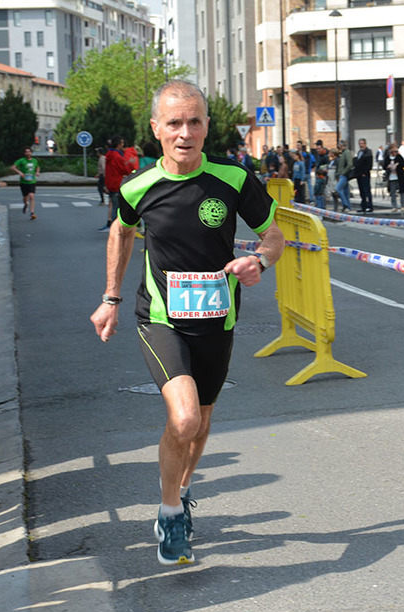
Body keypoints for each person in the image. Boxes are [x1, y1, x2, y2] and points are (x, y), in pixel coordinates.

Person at [89, 80, 284, 566]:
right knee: (185, 417)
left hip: (217, 318)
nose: (185, 132)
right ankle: (170, 511)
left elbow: (274, 235)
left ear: (206, 126)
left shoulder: (233, 179)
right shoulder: (137, 186)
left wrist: (260, 260)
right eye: (174, 123)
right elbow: (121, 232)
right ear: (156, 128)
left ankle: (183, 486)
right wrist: (111, 297)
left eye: (194, 122)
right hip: (161, 318)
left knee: (202, 421)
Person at [103, 136, 133, 231]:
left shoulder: (109, 155)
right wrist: (130, 163)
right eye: (122, 143)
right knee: (117, 208)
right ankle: (115, 229)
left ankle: (114, 227)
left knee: (114, 206)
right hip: (117, 184)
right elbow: (125, 170)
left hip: (111, 184)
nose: (123, 145)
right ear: (118, 144)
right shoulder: (117, 156)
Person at [12, 146, 40, 220]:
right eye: (26, 152)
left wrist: (37, 172)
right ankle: (25, 204)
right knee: (25, 198)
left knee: (31, 196)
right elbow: (13, 167)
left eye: (29, 152)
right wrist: (20, 172)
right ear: (24, 153)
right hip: (24, 182)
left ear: (31, 153)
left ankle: (32, 213)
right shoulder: (21, 160)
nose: (28, 153)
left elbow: (37, 167)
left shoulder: (34, 160)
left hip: (32, 181)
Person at [382, 144, 404, 211]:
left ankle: (402, 205)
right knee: (392, 192)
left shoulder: (399, 157)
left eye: (395, 151)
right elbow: (384, 166)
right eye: (392, 152)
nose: (394, 153)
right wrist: (388, 167)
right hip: (391, 177)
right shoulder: (387, 158)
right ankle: (394, 206)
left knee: (402, 191)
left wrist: (397, 164)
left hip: (399, 176)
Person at [354, 138, 374, 212]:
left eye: (362, 143)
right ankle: (363, 206)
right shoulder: (359, 152)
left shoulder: (368, 152)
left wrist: (364, 173)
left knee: (366, 190)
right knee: (361, 191)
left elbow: (369, 164)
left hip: (364, 174)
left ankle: (369, 206)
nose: (361, 145)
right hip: (359, 174)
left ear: (365, 144)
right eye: (360, 144)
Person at [334, 140, 353, 211]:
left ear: (341, 145)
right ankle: (348, 207)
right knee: (346, 192)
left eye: (339, 144)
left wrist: (343, 172)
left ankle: (345, 205)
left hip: (344, 175)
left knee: (338, 189)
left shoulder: (346, 152)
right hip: (343, 175)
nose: (338, 146)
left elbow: (350, 164)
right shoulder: (343, 153)